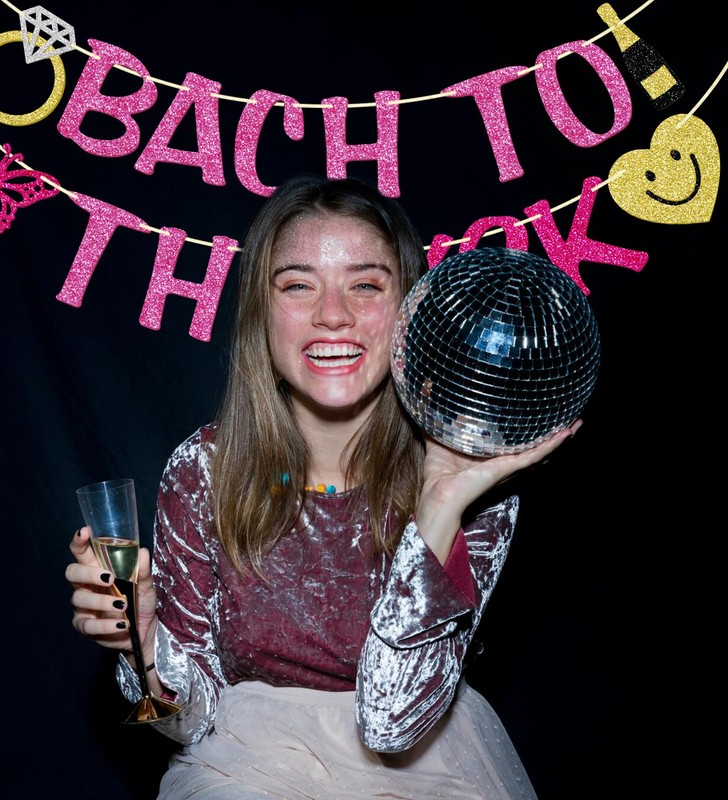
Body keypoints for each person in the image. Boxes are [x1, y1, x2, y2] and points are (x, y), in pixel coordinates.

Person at [66, 173, 581, 799]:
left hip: (425, 768)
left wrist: (441, 501)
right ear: (261, 313)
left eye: (365, 285)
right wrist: (143, 641)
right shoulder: (203, 469)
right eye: (298, 285)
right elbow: (185, 722)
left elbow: (392, 726)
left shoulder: (476, 486)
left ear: (411, 310)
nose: (332, 315)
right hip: (245, 767)